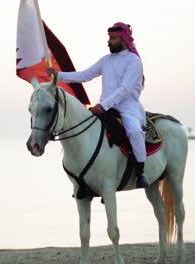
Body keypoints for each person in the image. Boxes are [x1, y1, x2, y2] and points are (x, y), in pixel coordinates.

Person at [48, 22, 149, 188]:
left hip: (128, 108)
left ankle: (140, 171)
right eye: (109, 38)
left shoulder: (134, 61)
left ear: (123, 40)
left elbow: (124, 90)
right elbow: (84, 75)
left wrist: (103, 105)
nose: (109, 41)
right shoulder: (106, 60)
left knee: (134, 131)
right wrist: (58, 76)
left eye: (113, 38)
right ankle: (89, 179)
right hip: (105, 107)